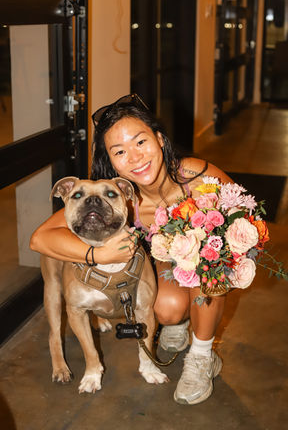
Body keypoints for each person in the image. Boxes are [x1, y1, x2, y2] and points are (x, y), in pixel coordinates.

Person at [30, 93, 233, 405]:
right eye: (120, 151)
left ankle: (202, 355)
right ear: (110, 161)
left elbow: (242, 212)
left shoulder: (195, 175)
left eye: (140, 142)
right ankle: (178, 322)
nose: (135, 157)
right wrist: (99, 255)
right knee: (165, 308)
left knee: (211, 270)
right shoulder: (117, 195)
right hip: (167, 262)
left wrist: (227, 247)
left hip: (203, 265)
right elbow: (40, 239)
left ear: (160, 139)